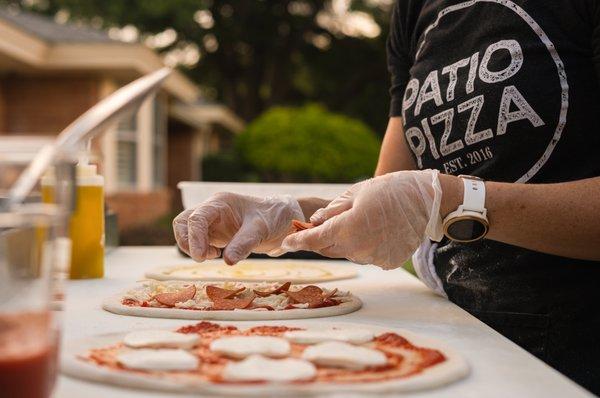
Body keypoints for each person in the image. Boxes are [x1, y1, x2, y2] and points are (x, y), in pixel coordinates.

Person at [173, 0, 600, 393]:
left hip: (576, 350)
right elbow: (387, 198)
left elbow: (426, 197)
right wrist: (287, 217)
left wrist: (455, 199)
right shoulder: (416, 9)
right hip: (453, 327)